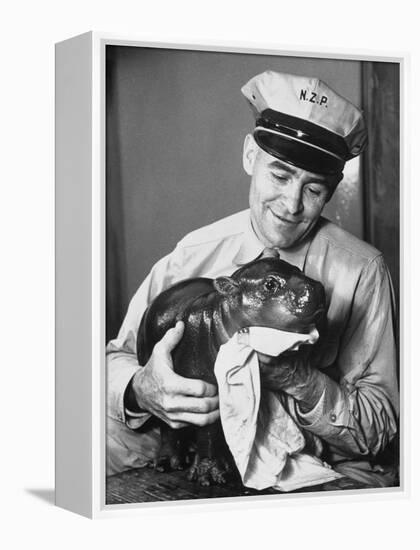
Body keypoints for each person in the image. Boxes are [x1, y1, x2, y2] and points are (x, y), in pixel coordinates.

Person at [106, 71, 399, 482]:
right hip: (193, 447)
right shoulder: (193, 254)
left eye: (313, 190)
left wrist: (302, 381)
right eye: (279, 176)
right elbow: (114, 360)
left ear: (332, 192)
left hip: (311, 463)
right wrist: (142, 389)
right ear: (249, 156)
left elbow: (382, 428)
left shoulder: (362, 272)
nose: (291, 204)